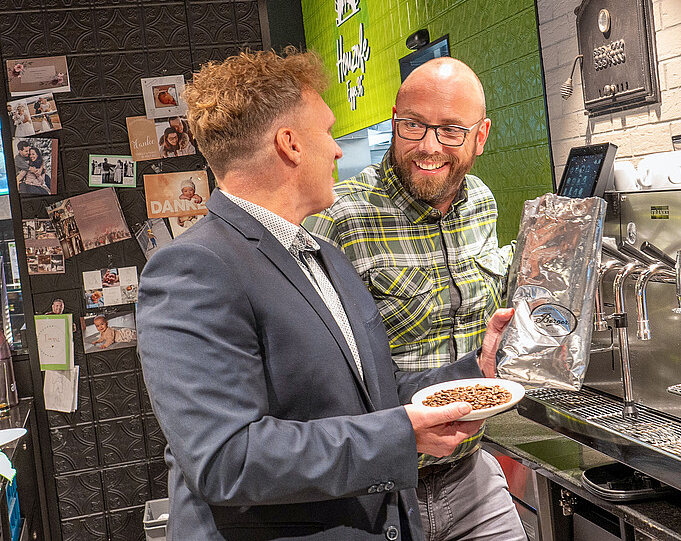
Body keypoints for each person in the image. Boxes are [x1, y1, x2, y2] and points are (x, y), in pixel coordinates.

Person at [136, 46, 514, 541]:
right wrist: (401, 436)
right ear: (291, 144)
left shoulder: (320, 254)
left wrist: (475, 373)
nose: (338, 150)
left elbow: (371, 393)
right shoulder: (192, 267)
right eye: (329, 131)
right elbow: (227, 458)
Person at [306, 57, 523, 541]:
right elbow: (321, 378)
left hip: (472, 475)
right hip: (379, 494)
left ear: (480, 136)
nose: (428, 146)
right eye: (413, 126)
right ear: (393, 121)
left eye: (450, 131)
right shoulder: (338, 218)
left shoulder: (481, 202)